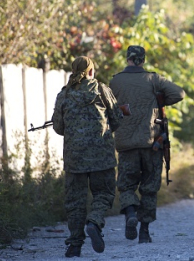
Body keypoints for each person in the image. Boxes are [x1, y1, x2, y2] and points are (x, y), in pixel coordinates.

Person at [109, 45, 185, 244]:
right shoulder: (153, 79)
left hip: (126, 145)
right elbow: (180, 94)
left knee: (126, 186)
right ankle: (144, 232)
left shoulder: (115, 81)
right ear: (142, 60)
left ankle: (131, 213)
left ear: (128, 59)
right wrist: (159, 102)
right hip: (152, 144)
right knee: (149, 188)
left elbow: (106, 107)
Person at [52, 56, 124, 258]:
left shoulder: (64, 94)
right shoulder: (102, 90)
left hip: (75, 158)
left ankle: (74, 246)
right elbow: (116, 120)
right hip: (102, 156)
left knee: (75, 201)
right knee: (104, 193)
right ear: (91, 71)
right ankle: (94, 222)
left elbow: (58, 127)